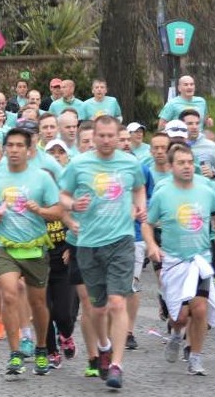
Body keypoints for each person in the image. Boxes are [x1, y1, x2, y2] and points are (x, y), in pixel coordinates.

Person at [58, 115, 145, 389]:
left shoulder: (130, 163)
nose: (107, 141)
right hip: (88, 243)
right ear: (93, 137)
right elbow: (62, 195)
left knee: (117, 302)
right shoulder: (79, 164)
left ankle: (117, 365)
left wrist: (138, 206)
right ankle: (104, 347)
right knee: (96, 309)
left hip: (121, 240)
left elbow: (139, 189)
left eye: (111, 136)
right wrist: (73, 205)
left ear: (119, 137)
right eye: (102, 136)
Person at [0, 128, 65, 376]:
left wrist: (40, 211)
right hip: (4, 246)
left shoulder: (42, 178)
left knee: (38, 302)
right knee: (10, 295)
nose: (14, 150)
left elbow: (58, 210)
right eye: (10, 145)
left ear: (28, 150)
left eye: (19, 146)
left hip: (35, 248)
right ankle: (15, 353)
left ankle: (41, 347)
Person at [144, 143, 215, 376]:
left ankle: (196, 358)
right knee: (179, 317)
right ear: (171, 166)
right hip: (173, 262)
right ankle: (176, 335)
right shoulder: (163, 194)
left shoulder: (206, 191)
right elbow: (147, 224)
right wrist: (151, 245)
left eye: (190, 162)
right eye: (181, 162)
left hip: (200, 260)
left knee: (199, 310)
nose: (187, 166)